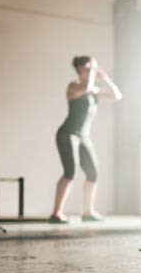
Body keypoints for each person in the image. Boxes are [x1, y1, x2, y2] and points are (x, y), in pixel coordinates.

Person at [49, 56, 122, 223]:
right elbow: (86, 86)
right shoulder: (74, 86)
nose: (92, 71)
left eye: (92, 68)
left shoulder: (93, 91)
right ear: (80, 69)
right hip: (68, 133)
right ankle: (56, 213)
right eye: (88, 68)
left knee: (93, 172)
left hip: (83, 137)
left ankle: (87, 212)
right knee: (70, 172)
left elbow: (117, 95)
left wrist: (104, 78)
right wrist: (93, 70)